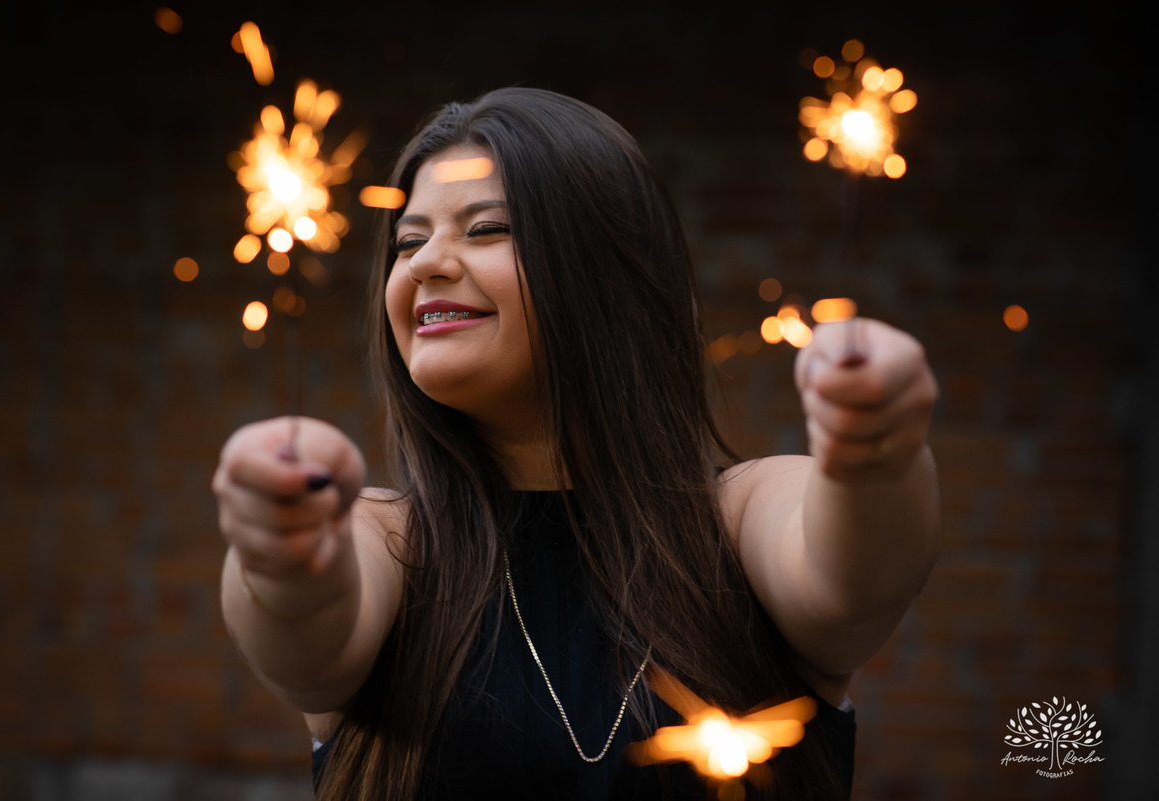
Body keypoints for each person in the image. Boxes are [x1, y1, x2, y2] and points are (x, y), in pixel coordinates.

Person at [213, 87, 940, 800]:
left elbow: (855, 582)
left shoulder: (743, 518)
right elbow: (306, 641)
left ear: (606, 270)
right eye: (409, 240)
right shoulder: (383, 540)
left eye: (486, 229)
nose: (426, 262)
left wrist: (875, 450)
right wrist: (283, 551)